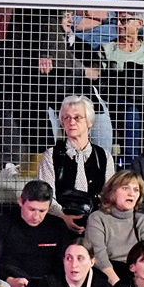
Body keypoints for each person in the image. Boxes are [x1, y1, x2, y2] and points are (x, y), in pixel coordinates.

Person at [36, 95, 116, 234]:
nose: (71, 122)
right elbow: (46, 195)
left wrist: (96, 221)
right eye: (66, 118)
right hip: (58, 225)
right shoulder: (50, 155)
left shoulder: (104, 156)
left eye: (77, 117)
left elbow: (109, 196)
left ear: (89, 122)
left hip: (96, 225)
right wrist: (63, 217)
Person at [84, 171, 144, 286]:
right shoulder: (97, 218)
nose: (131, 194)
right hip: (107, 274)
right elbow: (98, 255)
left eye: (136, 190)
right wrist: (117, 284)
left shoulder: (143, 221)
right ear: (112, 192)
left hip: (137, 274)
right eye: (125, 188)